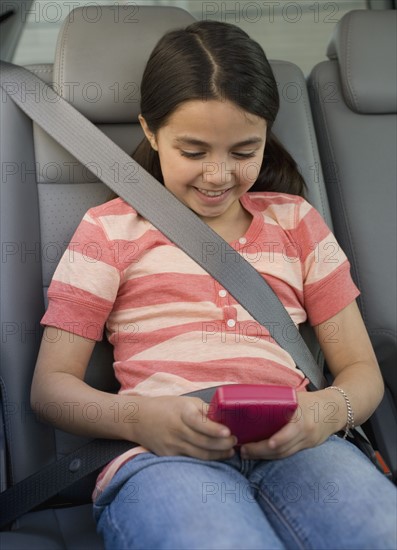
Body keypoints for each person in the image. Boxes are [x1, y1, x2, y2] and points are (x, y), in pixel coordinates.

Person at [31, 20, 396, 550]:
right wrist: (137, 418)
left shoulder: (296, 223)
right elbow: (50, 388)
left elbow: (361, 370)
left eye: (245, 151)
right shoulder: (108, 231)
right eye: (194, 151)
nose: (219, 175)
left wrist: (323, 413)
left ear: (268, 134)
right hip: (163, 458)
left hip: (301, 447)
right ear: (151, 133)